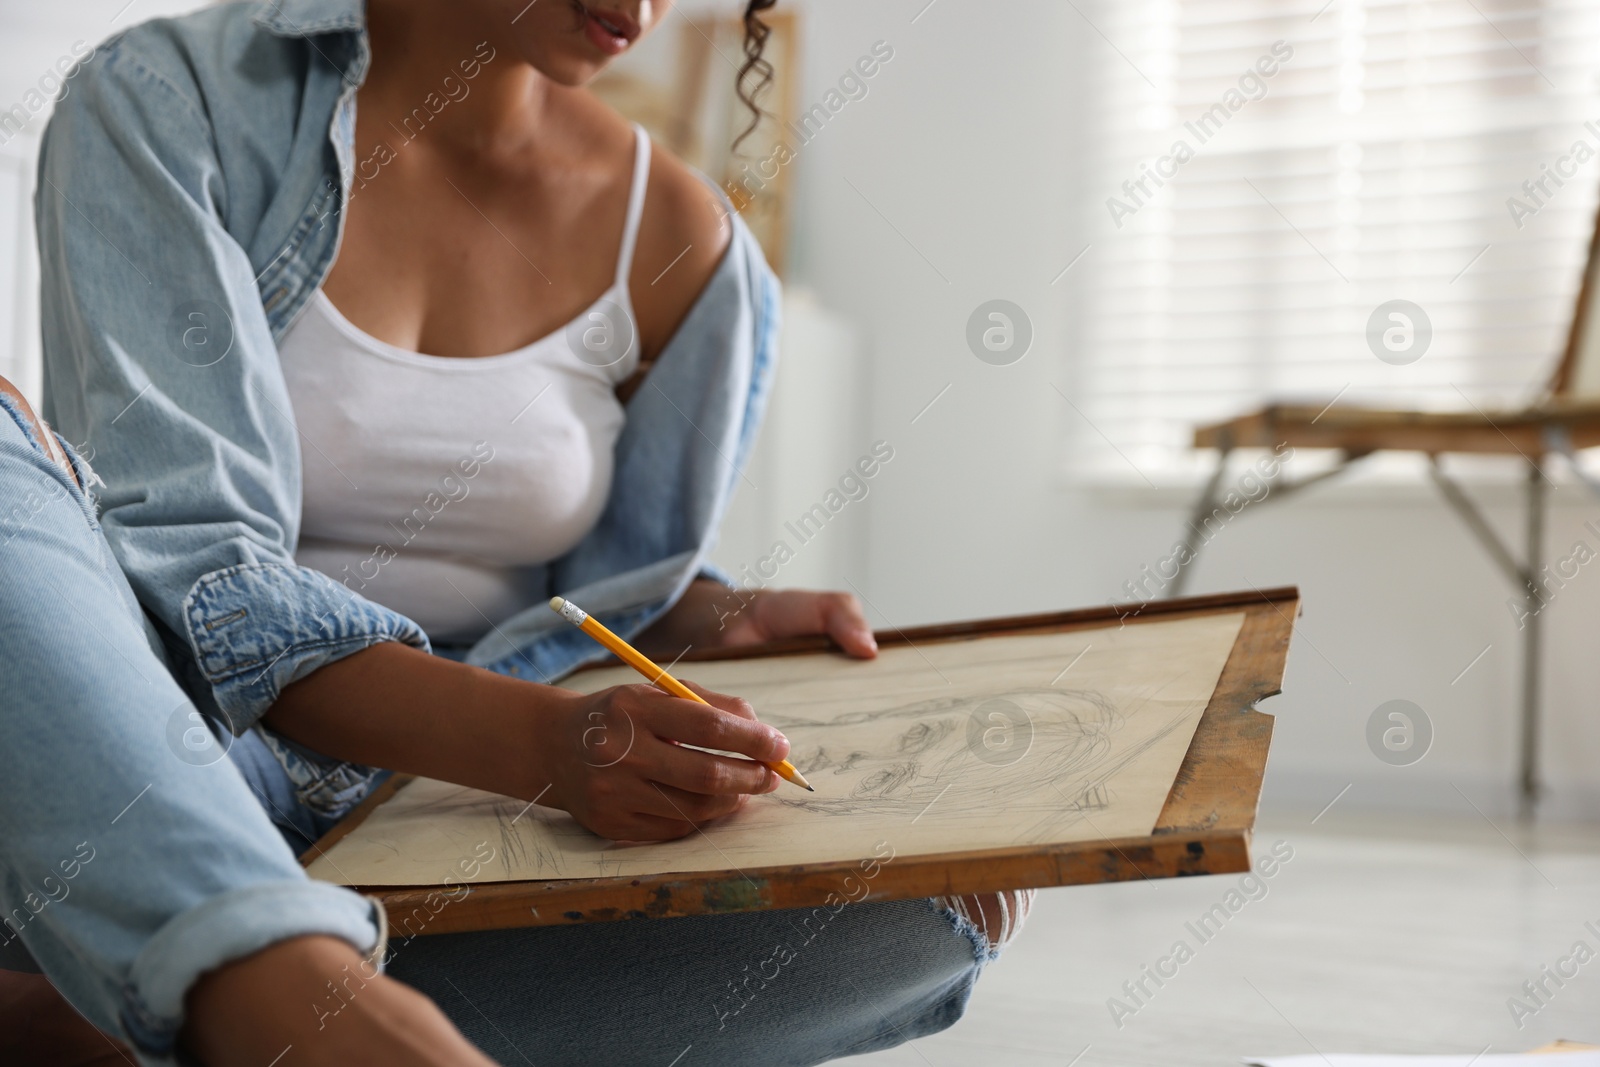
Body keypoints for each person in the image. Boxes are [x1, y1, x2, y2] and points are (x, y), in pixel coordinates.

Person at [13, 0, 1033, 1061]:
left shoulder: (681, 239)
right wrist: (546, 744)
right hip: (172, 764)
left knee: (952, 904)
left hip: (462, 816)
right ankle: (280, 993)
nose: (638, 10)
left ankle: (133, 1016)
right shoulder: (168, 101)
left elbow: (597, 595)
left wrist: (717, 613)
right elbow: (190, 561)